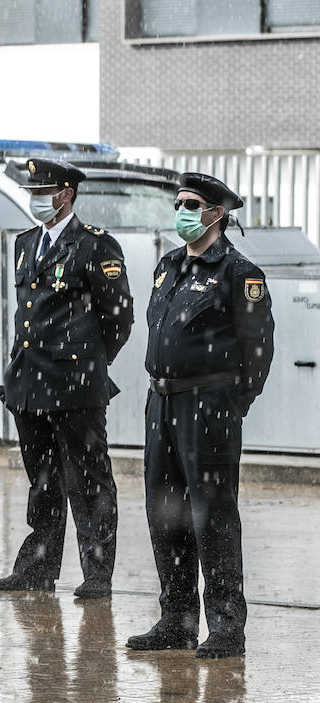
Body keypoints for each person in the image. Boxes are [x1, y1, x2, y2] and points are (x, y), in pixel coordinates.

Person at [127, 173, 273, 659]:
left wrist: (232, 405)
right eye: (178, 203)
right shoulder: (169, 265)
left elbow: (257, 351)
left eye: (191, 204)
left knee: (213, 517)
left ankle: (227, 628)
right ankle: (177, 620)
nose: (181, 212)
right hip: (162, 402)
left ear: (216, 213)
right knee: (164, 512)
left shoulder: (238, 272)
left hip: (207, 407)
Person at [0, 158, 134, 599]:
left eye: (44, 192)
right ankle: (37, 567)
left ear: (67, 194)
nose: (36, 200)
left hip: (75, 385)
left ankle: (96, 574)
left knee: (89, 482)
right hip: (29, 384)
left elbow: (119, 318)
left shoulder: (95, 246)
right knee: (44, 481)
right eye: (33, 191)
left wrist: (87, 363)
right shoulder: (24, 243)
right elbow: (26, 315)